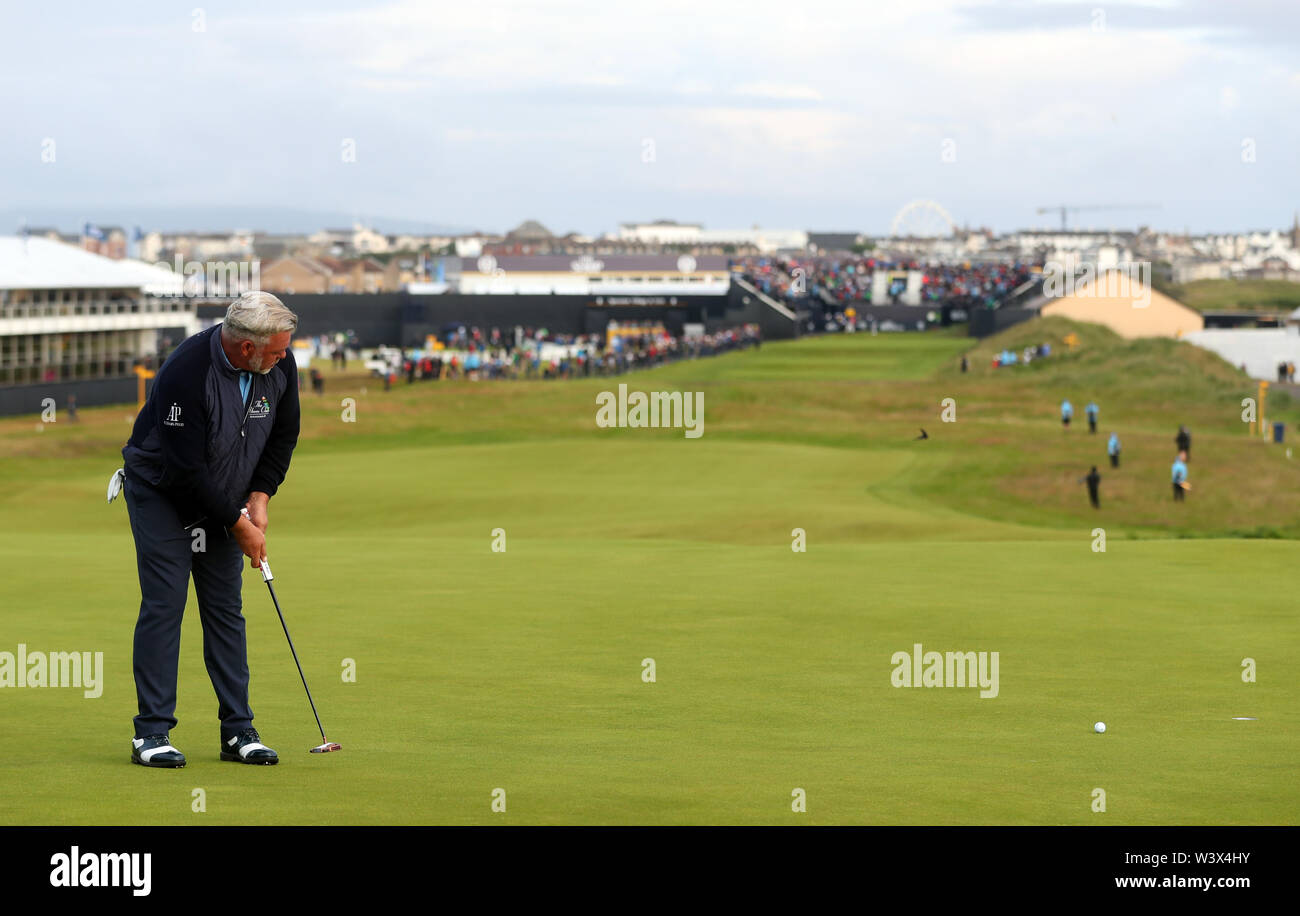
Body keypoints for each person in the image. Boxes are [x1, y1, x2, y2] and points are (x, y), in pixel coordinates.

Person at [115, 292, 300, 768]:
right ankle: (151, 734)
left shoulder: (278, 363)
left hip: (224, 496)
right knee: (166, 603)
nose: (284, 358)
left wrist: (259, 496)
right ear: (246, 349)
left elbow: (283, 433)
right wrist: (238, 524)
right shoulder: (186, 371)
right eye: (276, 351)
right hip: (160, 492)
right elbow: (184, 472)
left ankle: (238, 731)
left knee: (224, 608)